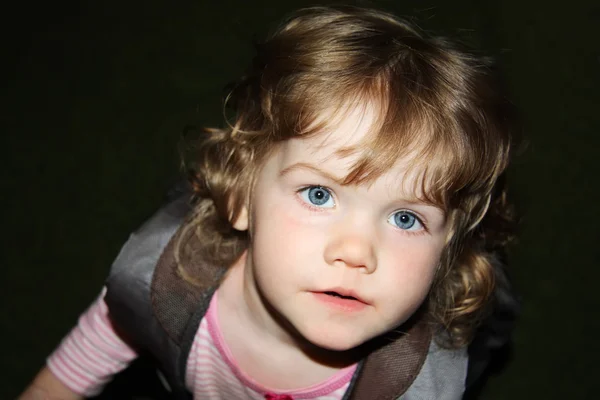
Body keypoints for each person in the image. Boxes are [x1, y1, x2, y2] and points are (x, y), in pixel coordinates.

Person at [20, 5, 517, 400]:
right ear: (239, 194)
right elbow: (66, 376)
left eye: (406, 217)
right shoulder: (161, 281)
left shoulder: (416, 384)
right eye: (319, 194)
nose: (357, 251)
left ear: (448, 241)